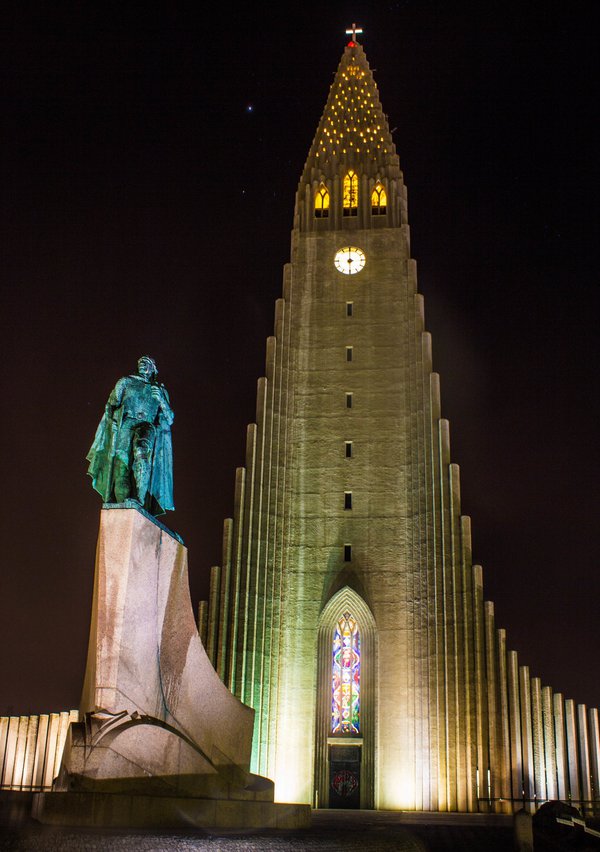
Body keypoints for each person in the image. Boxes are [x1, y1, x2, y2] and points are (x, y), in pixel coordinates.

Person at [87, 356, 174, 515]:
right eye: (141, 362)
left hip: (146, 424)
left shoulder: (159, 390)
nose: (142, 364)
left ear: (153, 369)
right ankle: (123, 501)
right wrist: (111, 418)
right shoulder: (126, 382)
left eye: (147, 363)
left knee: (141, 450)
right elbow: (111, 404)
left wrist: (161, 400)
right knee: (122, 464)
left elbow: (170, 417)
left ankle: (139, 499)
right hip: (126, 423)